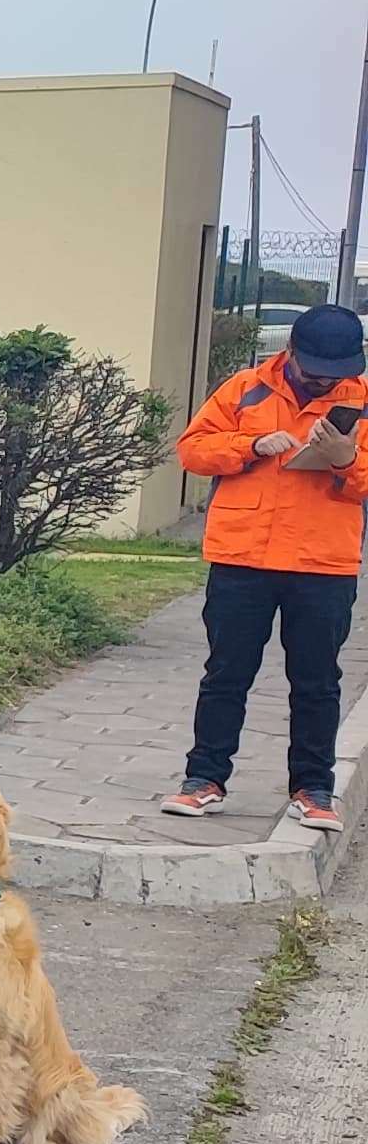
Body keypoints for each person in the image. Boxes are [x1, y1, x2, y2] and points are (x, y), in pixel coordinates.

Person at [165, 300, 366, 833]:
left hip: (323, 562)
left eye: (337, 375)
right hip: (243, 557)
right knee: (226, 674)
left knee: (318, 680)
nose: (326, 384)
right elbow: (193, 450)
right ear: (291, 354)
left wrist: (346, 458)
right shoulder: (245, 388)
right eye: (317, 373)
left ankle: (313, 789)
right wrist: (251, 444)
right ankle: (203, 779)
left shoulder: (361, 403)